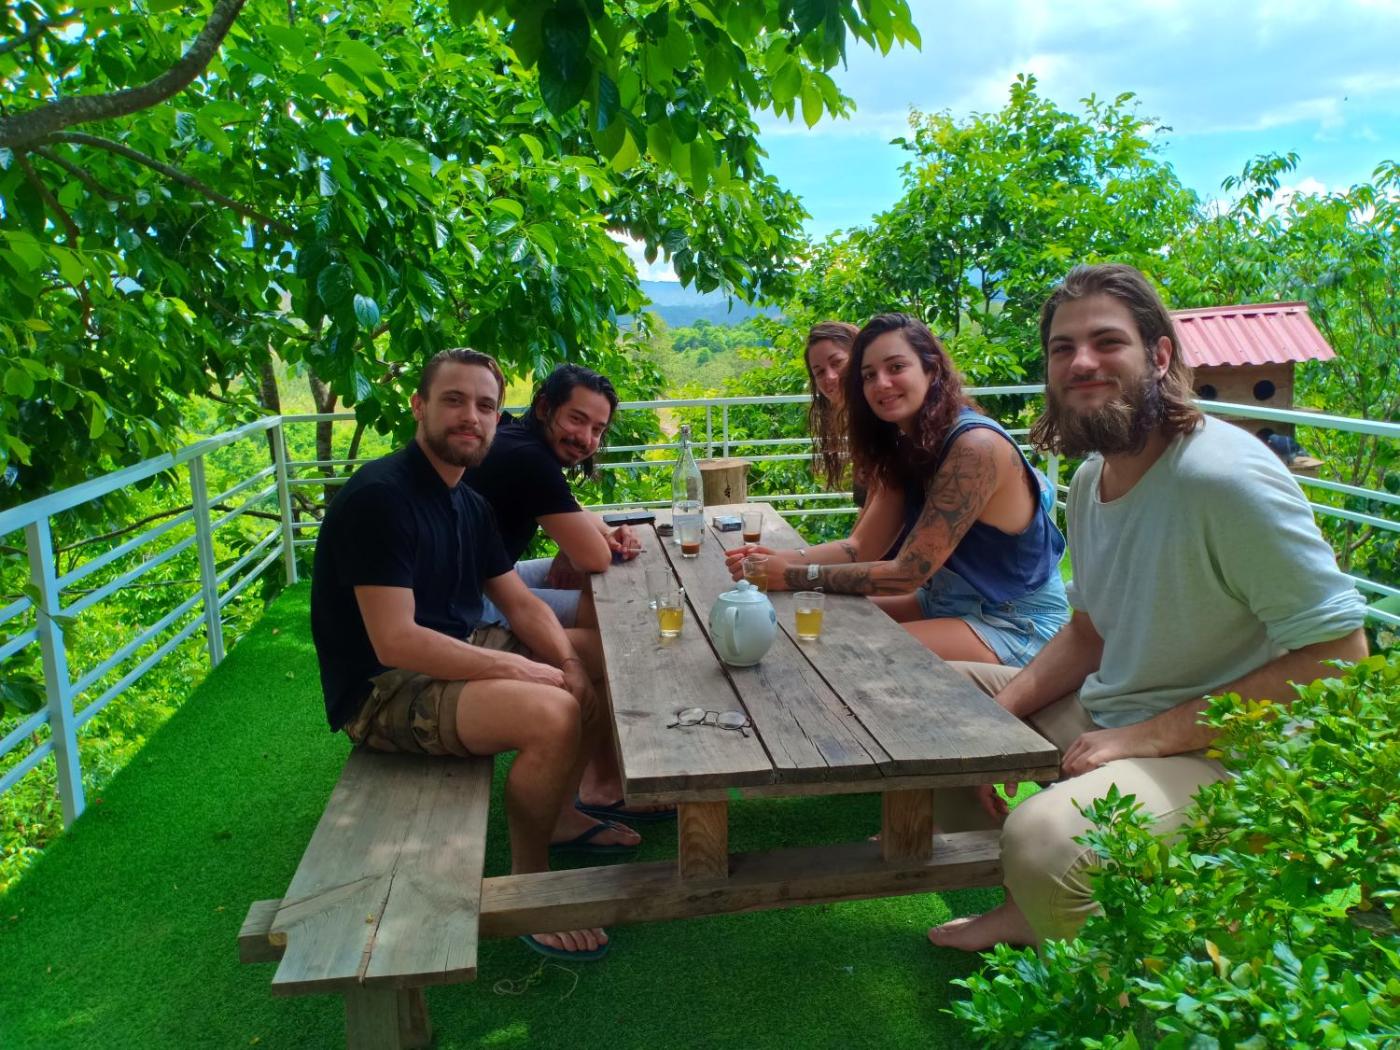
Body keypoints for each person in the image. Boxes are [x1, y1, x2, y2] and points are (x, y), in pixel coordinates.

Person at [926, 263, 1369, 951]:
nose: (1082, 362)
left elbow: (1341, 656)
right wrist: (995, 726)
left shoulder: (1222, 478)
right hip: (1119, 711)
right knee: (942, 707)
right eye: (1063, 348)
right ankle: (1025, 908)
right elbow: (1089, 633)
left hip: (1233, 753)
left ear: (1160, 356)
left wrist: (1147, 737)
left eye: (1108, 342)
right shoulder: (1091, 477)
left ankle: (1106, 972)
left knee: (1045, 837)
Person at [310, 348, 638, 962]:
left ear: (498, 416)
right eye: (454, 401)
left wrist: (567, 662)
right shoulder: (381, 497)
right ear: (419, 406)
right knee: (554, 714)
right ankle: (529, 888)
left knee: (601, 656)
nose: (472, 417)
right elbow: (395, 641)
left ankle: (561, 813)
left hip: (454, 649)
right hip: (384, 688)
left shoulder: (467, 501)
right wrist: (524, 668)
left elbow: (520, 604)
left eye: (485, 405)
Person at [728, 313, 1070, 667]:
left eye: (896, 367)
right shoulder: (908, 447)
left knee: (845, 651)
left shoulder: (975, 447)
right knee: (815, 621)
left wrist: (793, 575)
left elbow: (908, 572)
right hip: (944, 602)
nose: (882, 383)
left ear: (931, 369)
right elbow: (861, 547)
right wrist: (779, 560)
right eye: (868, 376)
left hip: (1014, 622)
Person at [464, 363, 669, 823]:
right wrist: (586, 544)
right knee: (615, 634)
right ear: (544, 407)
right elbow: (593, 558)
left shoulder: (517, 438)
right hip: (468, 600)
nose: (586, 438)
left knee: (604, 606)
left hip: (491, 576)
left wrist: (599, 533)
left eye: (597, 429)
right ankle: (594, 785)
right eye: (577, 419)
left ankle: (602, 774)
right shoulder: (528, 457)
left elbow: (573, 510)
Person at [804, 321, 863, 500]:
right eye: (820, 372)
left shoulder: (884, 423)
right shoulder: (861, 424)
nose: (830, 377)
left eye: (837, 363)